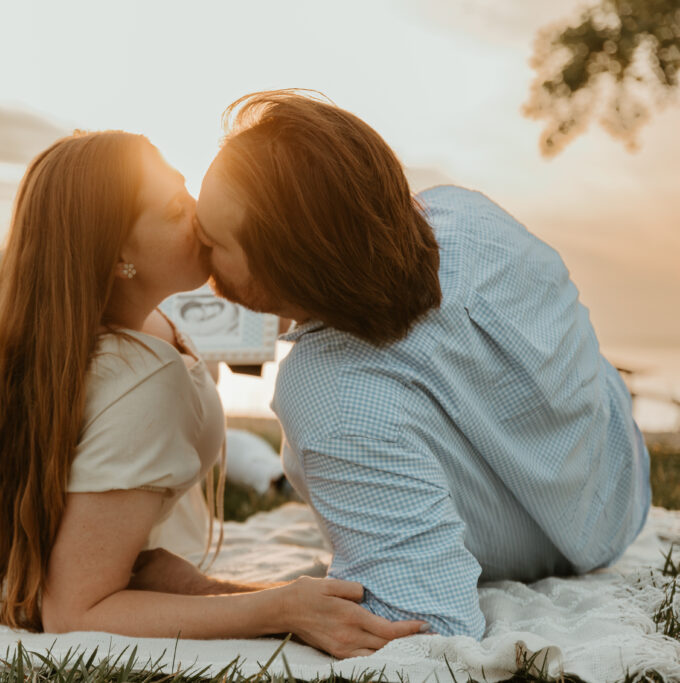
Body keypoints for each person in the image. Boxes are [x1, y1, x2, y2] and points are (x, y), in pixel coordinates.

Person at [0, 130, 427, 658]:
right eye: (172, 212)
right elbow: (74, 614)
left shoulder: (47, 288)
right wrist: (281, 609)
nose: (197, 213)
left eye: (184, 188)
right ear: (116, 258)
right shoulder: (142, 381)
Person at [182, 90, 651, 638]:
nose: (197, 248)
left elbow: (429, 621)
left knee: (336, 427)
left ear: (290, 266)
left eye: (212, 242)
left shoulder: (326, 389)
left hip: (563, 547)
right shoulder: (467, 215)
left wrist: (216, 596)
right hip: (621, 476)